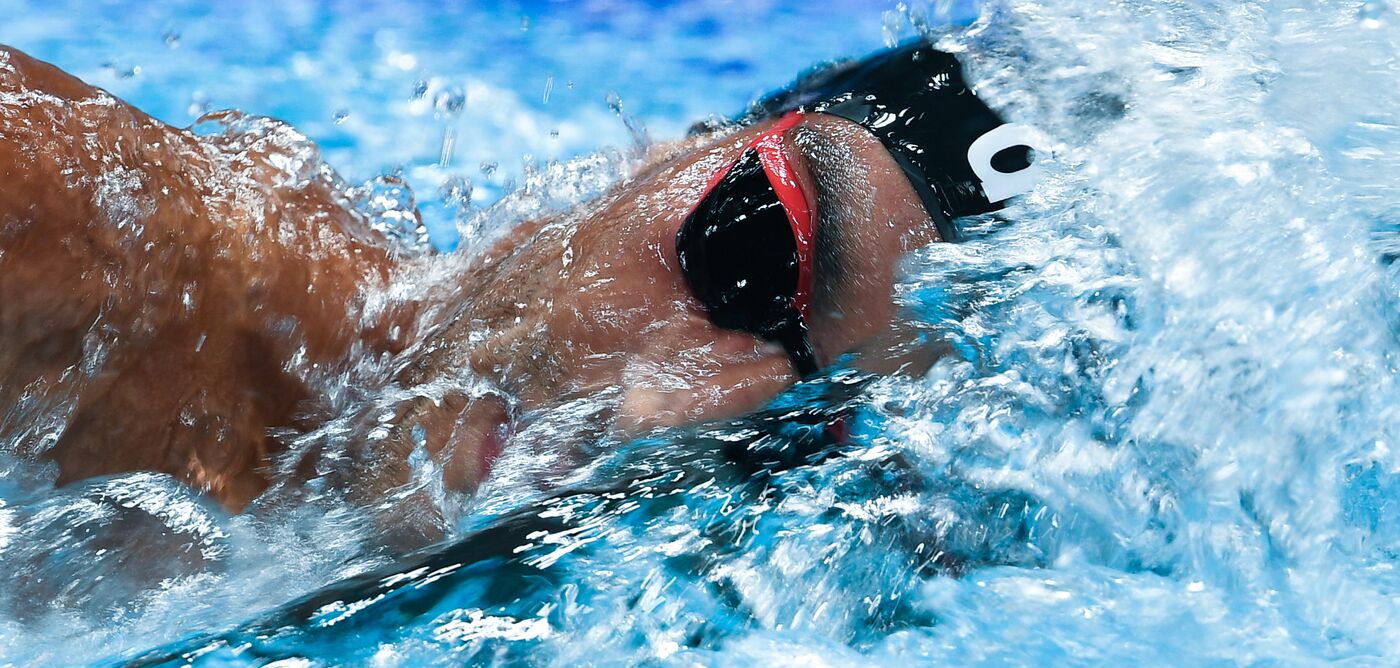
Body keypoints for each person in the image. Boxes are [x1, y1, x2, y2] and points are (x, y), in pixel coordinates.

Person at [0, 41, 1039, 518]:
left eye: (799, 439)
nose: (664, 406)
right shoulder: (75, 241)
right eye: (747, 250)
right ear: (654, 160)